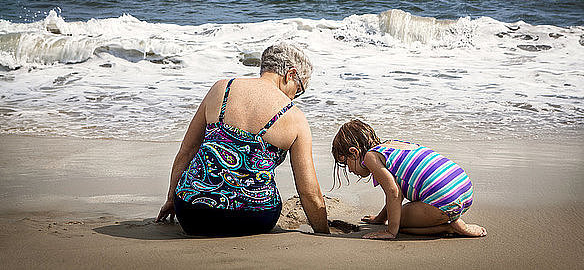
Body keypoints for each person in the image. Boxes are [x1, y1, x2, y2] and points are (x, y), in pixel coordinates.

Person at [156, 43, 330, 236]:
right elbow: (308, 193)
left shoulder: (221, 88)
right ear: (290, 75)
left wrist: (172, 199)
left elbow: (187, 150)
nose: (295, 97)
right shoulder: (295, 117)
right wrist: (323, 232)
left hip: (192, 213)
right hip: (255, 218)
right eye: (298, 90)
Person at [331, 119, 486, 239]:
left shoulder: (370, 157)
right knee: (395, 214)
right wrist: (379, 219)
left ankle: (450, 227)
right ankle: (452, 217)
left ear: (354, 152)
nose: (350, 170)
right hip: (464, 189)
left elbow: (393, 192)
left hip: (445, 200)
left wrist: (391, 230)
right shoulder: (393, 145)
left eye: (346, 163)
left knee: (400, 223)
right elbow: (397, 192)